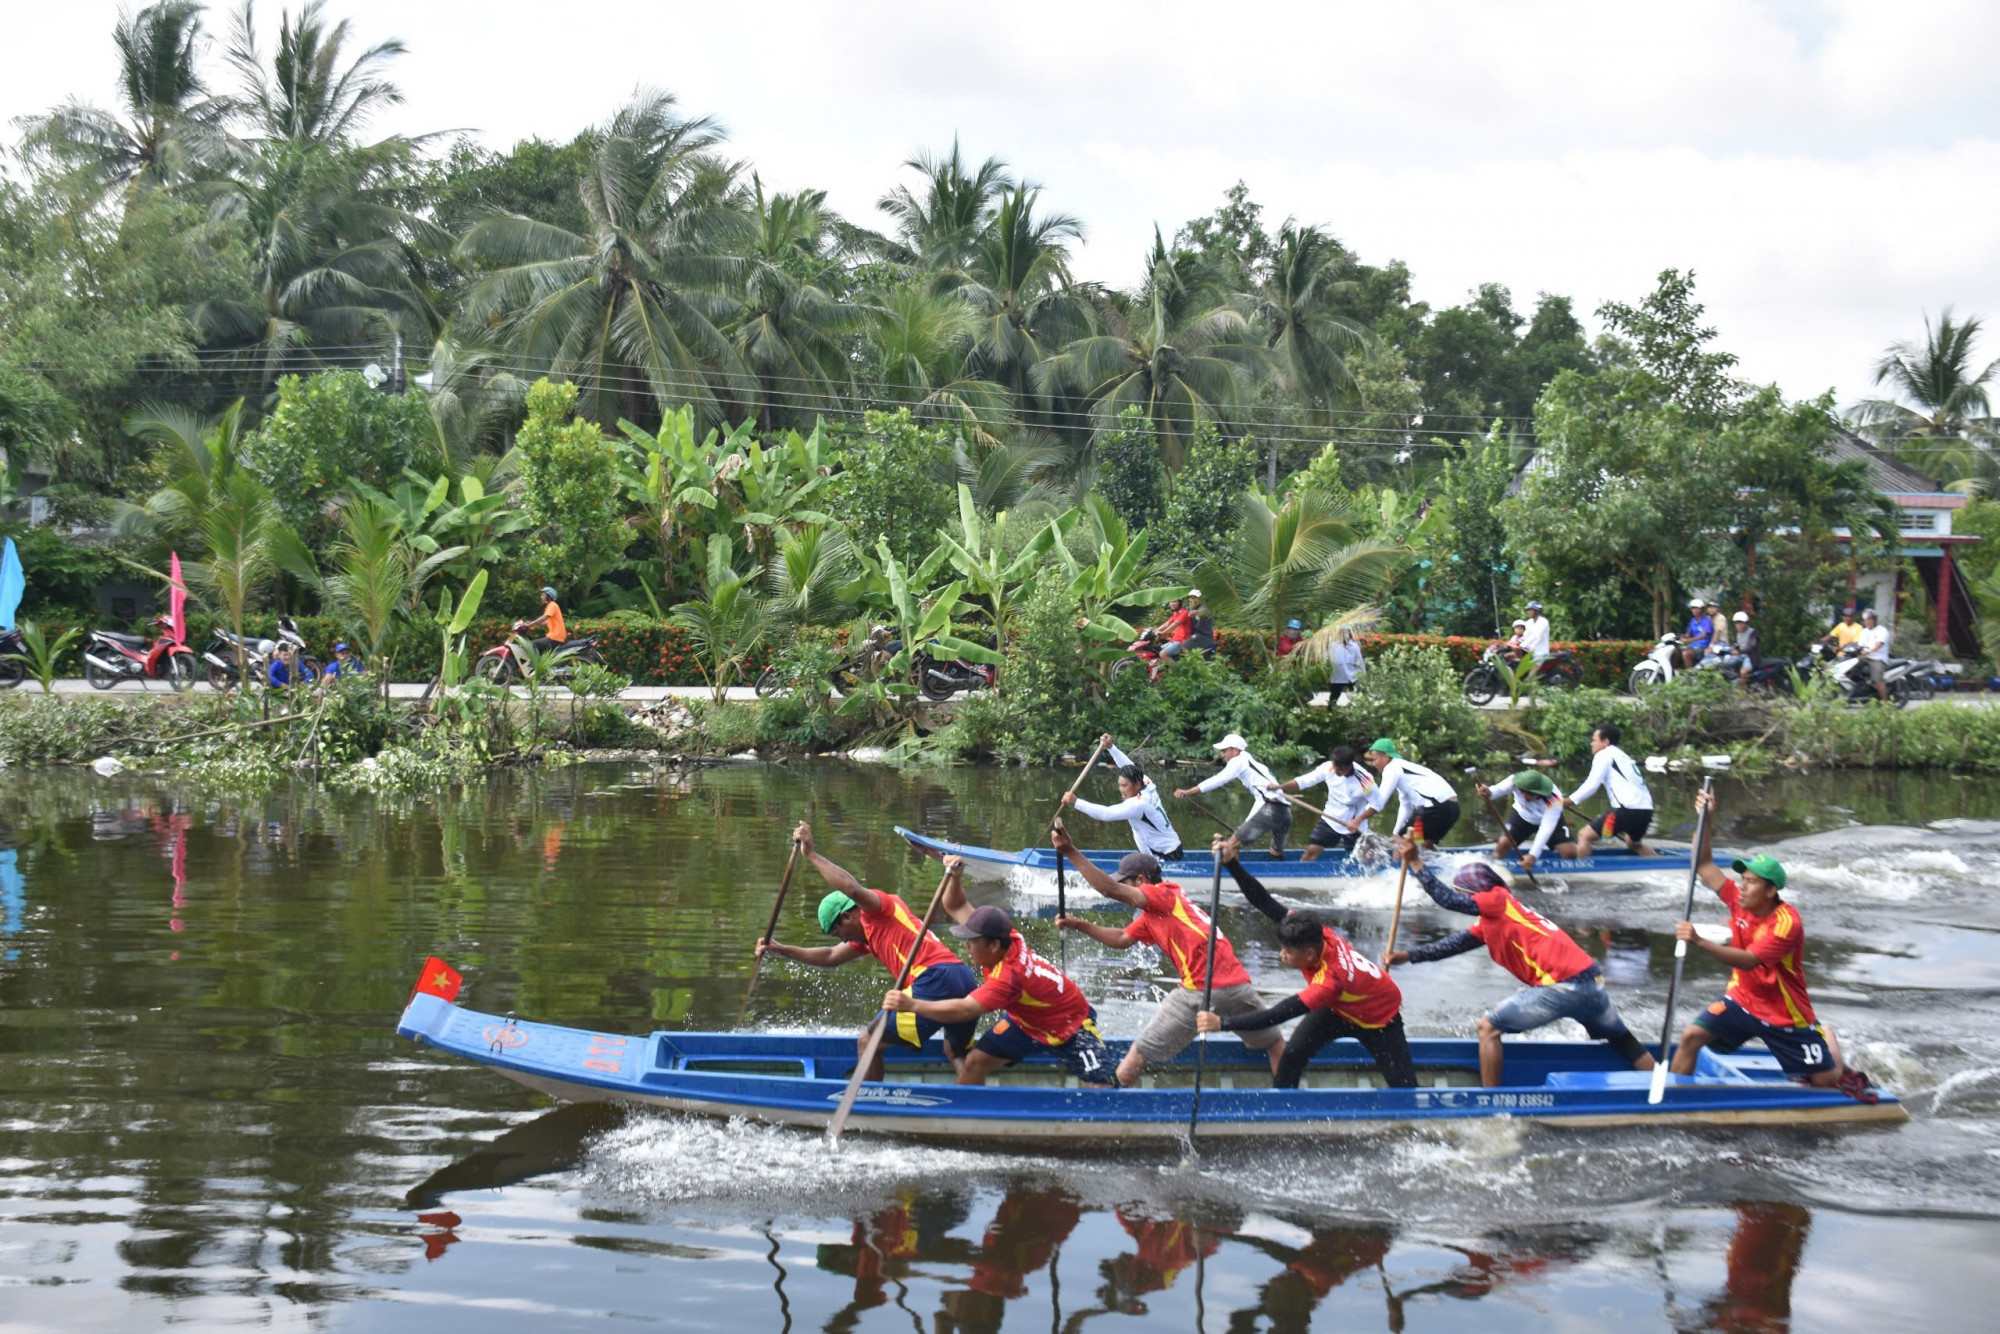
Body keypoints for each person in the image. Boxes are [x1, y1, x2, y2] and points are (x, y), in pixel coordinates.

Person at [1382, 839, 1653, 1087]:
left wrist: (1417, 862)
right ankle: (1665, 1087)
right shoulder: (1498, 918)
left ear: (1478, 892)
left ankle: (1490, 1102)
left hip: (1562, 985)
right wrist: (1408, 956)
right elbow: (1455, 944)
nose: (1469, 902)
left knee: (1488, 1028)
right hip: (1590, 982)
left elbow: (1448, 901)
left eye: (1467, 895)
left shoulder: (1498, 899)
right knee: (1622, 1039)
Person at [1668, 790, 1876, 1101]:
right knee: (1691, 1036)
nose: (1742, 886)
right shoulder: (1738, 902)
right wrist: (1707, 819)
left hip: (1784, 1013)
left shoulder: (1787, 923)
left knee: (1826, 1079)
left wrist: (1698, 940)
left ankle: (1825, 1035)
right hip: (1742, 999)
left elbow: (1750, 960)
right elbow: (1704, 864)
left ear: (1770, 890)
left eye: (1751, 882)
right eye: (1743, 879)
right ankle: (1674, 1100)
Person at [1049, 824, 1284, 1086]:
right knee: (1274, 1042)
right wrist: (1080, 925)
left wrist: (1070, 851)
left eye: (1126, 882)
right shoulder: (1161, 911)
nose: (1123, 890)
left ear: (1141, 880)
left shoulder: (1161, 893)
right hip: (1239, 986)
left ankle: (1107, 1098)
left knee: (1140, 1051)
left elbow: (1109, 890)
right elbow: (1123, 939)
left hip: (1199, 991)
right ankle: (1289, 1100)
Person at [756, 822, 981, 1080]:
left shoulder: (877, 911)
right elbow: (830, 957)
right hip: (963, 978)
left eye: (837, 933)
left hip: (935, 978)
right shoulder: (869, 939)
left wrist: (811, 855)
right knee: (956, 1053)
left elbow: (851, 889)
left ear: (847, 917)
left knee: (867, 1042)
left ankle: (871, 1108)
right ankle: (976, 1108)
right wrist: (779, 949)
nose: (840, 939)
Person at [1196, 840, 1415, 1089]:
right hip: (1338, 1008)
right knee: (1292, 1056)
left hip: (1380, 1019)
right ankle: (1284, 1109)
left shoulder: (1328, 981)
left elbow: (1274, 1015)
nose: (1282, 955)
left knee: (1404, 1088)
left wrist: (1222, 1023)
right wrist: (1232, 864)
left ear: (1310, 955)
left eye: (1288, 952)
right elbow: (1264, 901)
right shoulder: (1315, 931)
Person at [882, 868, 1116, 1087]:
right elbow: (956, 905)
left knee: (1102, 1086)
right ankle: (966, 1115)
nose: (966, 947)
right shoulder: (1006, 935)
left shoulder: (1008, 978)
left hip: (1070, 1025)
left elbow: (964, 1009)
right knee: (975, 1061)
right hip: (1026, 1024)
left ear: (994, 945)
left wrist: (912, 1004)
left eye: (972, 941)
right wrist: (955, 876)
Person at [1061, 734, 1183, 862]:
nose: (1121, 790)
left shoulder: (1137, 805)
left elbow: (1106, 814)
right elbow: (1128, 766)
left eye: (1125, 786)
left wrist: (1076, 802)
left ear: (1136, 785)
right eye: (1120, 785)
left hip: (1167, 857)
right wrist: (1111, 747)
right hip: (1168, 849)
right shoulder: (1147, 783)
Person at [1175, 732, 1293, 857]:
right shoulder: (1251, 761)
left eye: (1225, 751)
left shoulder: (1239, 761)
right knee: (1275, 852)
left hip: (1271, 809)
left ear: (1236, 750)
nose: (1222, 755)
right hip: (1285, 812)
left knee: (1230, 846)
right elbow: (1261, 801)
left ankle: (1232, 873)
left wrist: (1188, 792)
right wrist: (1243, 828)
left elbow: (1219, 779)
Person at [1269, 745, 1375, 860]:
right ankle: (1302, 875)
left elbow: (1377, 804)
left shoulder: (1365, 781)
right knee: (1310, 852)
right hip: (1330, 818)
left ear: (1346, 767)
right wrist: (1280, 786)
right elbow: (1304, 781)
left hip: (1354, 825)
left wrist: (1357, 821)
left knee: (1365, 859)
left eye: (1337, 768)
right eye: (1333, 765)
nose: (1333, 769)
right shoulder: (1328, 767)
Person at [1349, 738, 1460, 847]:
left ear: (1386, 757)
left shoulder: (1392, 768)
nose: (1374, 764)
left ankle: (1399, 863)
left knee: (1402, 845)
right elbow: (1406, 807)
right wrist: (1396, 833)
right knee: (1424, 846)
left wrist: (1357, 819)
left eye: (1375, 759)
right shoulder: (1403, 769)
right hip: (1453, 809)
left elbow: (1379, 801)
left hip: (1436, 808)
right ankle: (1441, 862)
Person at [1570, 722, 1657, 856]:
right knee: (1633, 844)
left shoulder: (1604, 754)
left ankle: (1580, 871)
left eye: (1594, 740)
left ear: (1605, 741)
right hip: (1646, 811)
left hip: (1627, 810)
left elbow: (1592, 785)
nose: (1591, 744)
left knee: (1584, 836)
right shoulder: (1623, 756)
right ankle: (1658, 864)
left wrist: (1569, 800)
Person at [1476, 768, 1577, 869]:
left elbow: (1546, 828)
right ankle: (1492, 868)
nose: (1525, 797)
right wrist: (1488, 792)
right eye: (1522, 792)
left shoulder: (1554, 799)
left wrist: (1532, 855)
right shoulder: (1515, 781)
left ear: (1540, 792)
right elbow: (1497, 790)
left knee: (1570, 853)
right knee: (1503, 844)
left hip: (1548, 821)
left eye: (1530, 794)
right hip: (1522, 816)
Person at [1855, 608, 1891, 702]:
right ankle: (1860, 687)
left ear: (1874, 620)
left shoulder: (1882, 631)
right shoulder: (1864, 631)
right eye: (1865, 620)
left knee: (1878, 681)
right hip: (1865, 657)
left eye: (1869, 619)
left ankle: (1885, 703)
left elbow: (1879, 644)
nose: (1867, 622)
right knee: (1850, 666)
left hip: (1877, 658)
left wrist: (1869, 651)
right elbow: (1860, 645)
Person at [521, 585, 568, 655]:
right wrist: (530, 623)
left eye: (543, 595)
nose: (541, 597)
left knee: (532, 644)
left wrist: (530, 625)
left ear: (549, 597)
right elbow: (545, 623)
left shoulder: (552, 605)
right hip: (556, 637)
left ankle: (535, 664)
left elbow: (544, 617)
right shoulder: (550, 606)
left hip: (555, 637)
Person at [1152, 594, 1196, 663]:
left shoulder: (1184, 613)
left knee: (1162, 654)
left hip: (1182, 641)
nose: (1172, 603)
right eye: (1171, 602)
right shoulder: (1176, 613)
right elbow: (1167, 623)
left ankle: (1175, 671)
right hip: (1175, 640)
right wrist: (1155, 630)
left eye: (1174, 601)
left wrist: (1163, 632)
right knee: (1157, 651)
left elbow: (1174, 624)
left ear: (1180, 603)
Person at [1328, 627, 1365, 702]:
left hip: (1351, 675)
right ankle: (1331, 711)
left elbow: (1359, 661)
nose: (1345, 635)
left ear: (1349, 634)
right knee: (1334, 698)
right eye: (1343, 633)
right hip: (1337, 676)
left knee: (1358, 696)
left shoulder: (1354, 646)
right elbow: (1327, 659)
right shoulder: (1333, 645)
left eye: (1346, 633)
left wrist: (1363, 674)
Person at [1725, 609, 1759, 682]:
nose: (1739, 625)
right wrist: (1733, 649)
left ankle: (1743, 691)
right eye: (1737, 623)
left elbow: (1752, 646)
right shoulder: (1737, 633)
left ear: (1746, 623)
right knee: (1725, 663)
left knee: (1743, 672)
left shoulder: (1752, 632)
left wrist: (1739, 651)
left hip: (1750, 656)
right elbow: (1737, 644)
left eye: (1741, 623)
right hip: (1741, 655)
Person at [1682, 597, 1715, 669]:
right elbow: (1688, 634)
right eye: (1692, 608)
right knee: (1678, 651)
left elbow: (1704, 635)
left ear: (1701, 609)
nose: (1694, 610)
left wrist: (1688, 640)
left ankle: (1690, 675)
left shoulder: (1707, 621)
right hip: (1694, 645)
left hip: (1703, 646)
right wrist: (1682, 637)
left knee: (1686, 653)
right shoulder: (1692, 620)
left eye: (1696, 608)